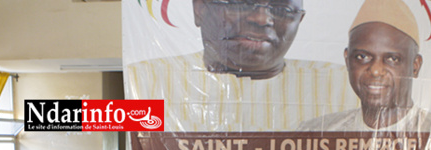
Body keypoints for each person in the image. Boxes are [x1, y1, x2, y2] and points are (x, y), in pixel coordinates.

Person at [127, 0, 359, 132]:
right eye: (241, 3)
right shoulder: (145, 81)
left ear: (299, 20)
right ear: (200, 8)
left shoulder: (346, 87)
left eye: (281, 9)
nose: (260, 19)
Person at [298, 0, 431, 134]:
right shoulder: (318, 133)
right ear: (347, 60)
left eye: (392, 59)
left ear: (415, 66)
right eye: (362, 57)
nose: (375, 70)